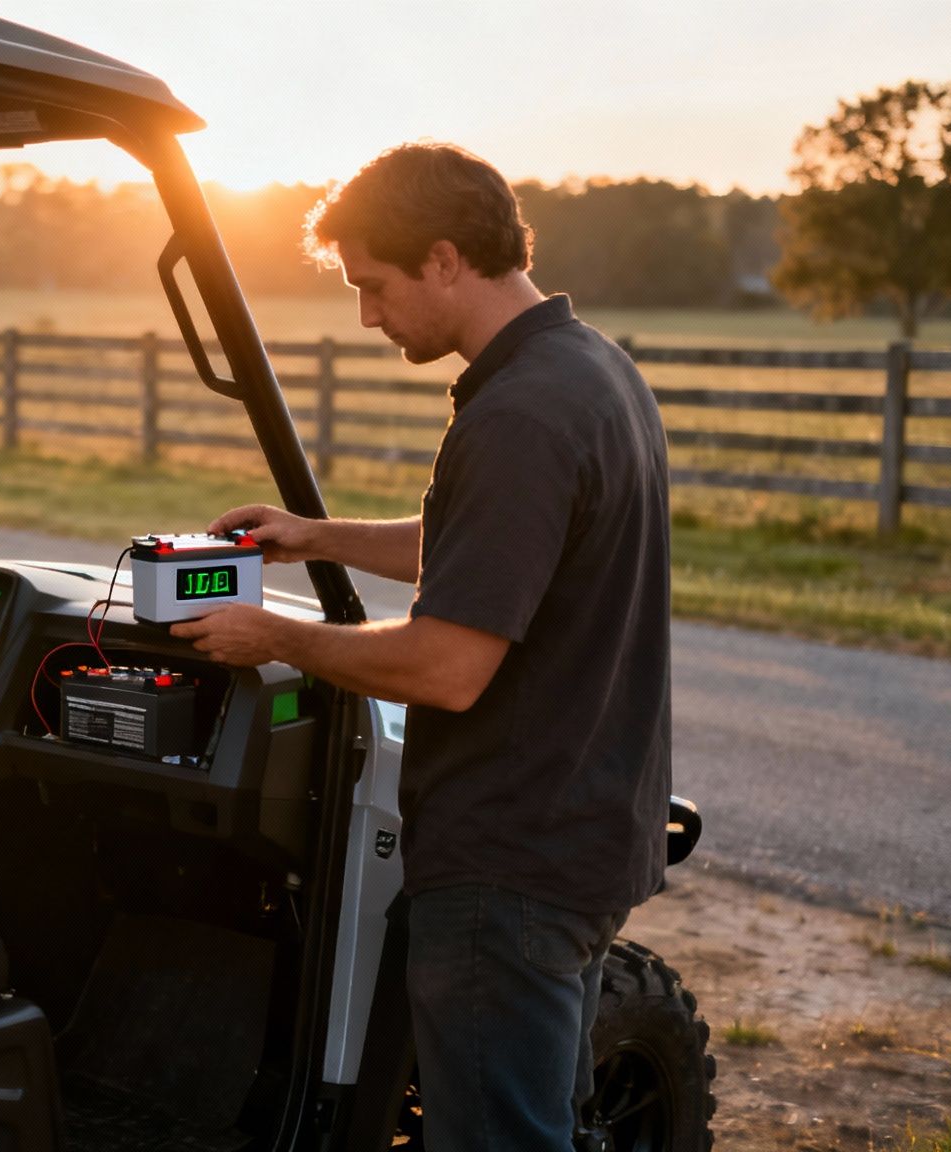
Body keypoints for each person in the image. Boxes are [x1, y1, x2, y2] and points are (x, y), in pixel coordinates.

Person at [170, 143, 672, 1150]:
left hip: (507, 856)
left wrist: (272, 635)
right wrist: (311, 536)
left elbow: (447, 666)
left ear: (444, 258)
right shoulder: (587, 369)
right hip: (582, 825)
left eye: (373, 286)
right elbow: (487, 548)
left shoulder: (518, 413)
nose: (365, 315)